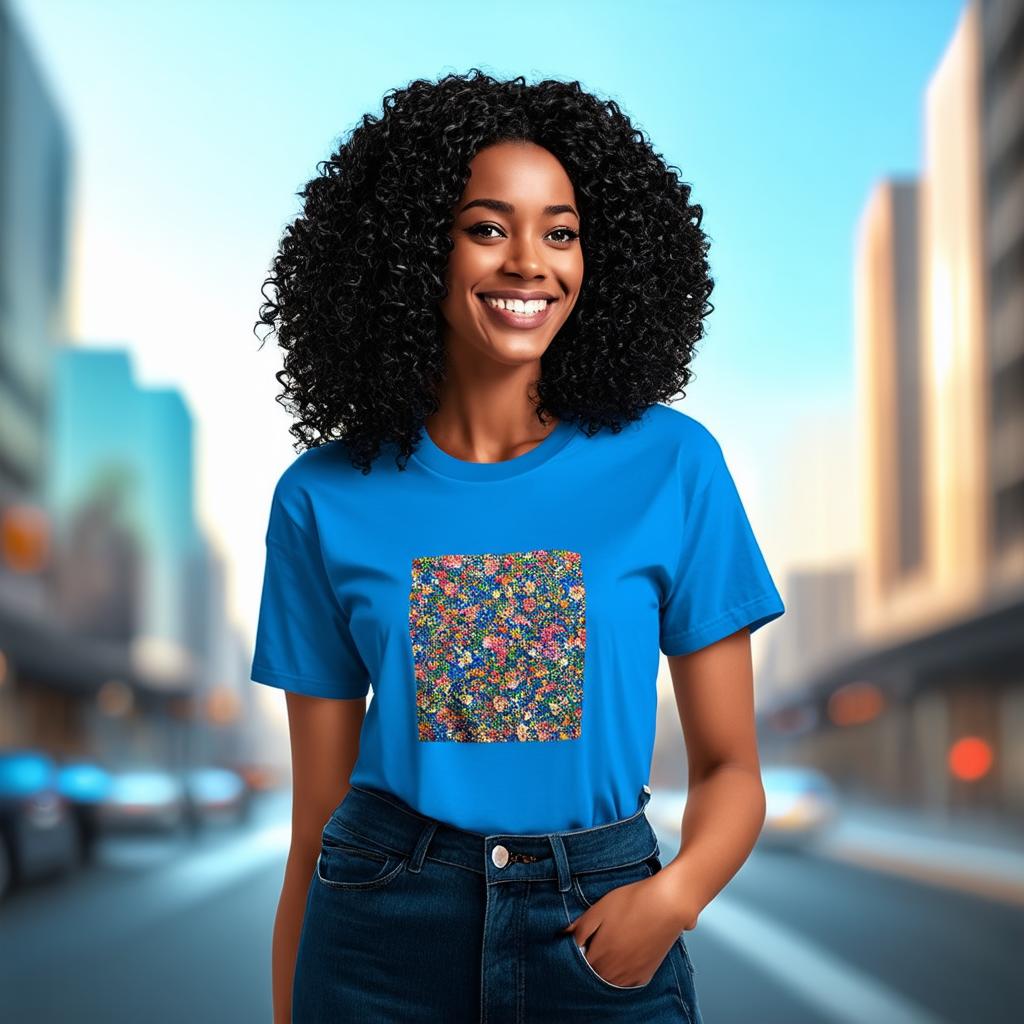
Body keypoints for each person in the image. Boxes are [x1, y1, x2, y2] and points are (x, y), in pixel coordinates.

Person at [251, 69, 785, 1024]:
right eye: (488, 227)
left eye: (562, 231)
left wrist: (671, 901)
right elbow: (314, 826)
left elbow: (730, 770)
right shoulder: (321, 499)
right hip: (379, 934)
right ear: (418, 249)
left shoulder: (673, 466)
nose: (531, 263)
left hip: (602, 931)